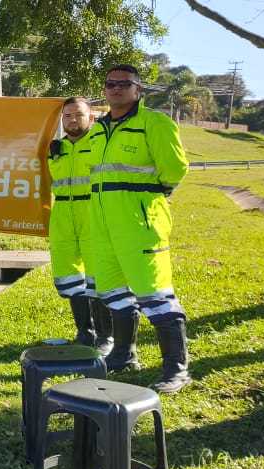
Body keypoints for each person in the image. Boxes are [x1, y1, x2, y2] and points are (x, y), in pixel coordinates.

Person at [87, 64, 191, 394]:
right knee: (115, 293)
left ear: (138, 90)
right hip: (103, 228)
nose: (116, 88)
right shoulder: (97, 129)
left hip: (140, 226)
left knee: (155, 294)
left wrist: (144, 202)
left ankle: (176, 368)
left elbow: (174, 170)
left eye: (124, 84)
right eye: (110, 83)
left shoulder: (154, 123)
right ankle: (123, 355)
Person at [47, 97, 113, 355]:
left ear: (91, 118)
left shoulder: (99, 144)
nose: (73, 120)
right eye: (67, 116)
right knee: (70, 275)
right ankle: (85, 332)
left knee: (98, 275)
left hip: (92, 213)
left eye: (78, 115)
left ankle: (105, 336)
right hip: (62, 215)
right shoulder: (56, 148)